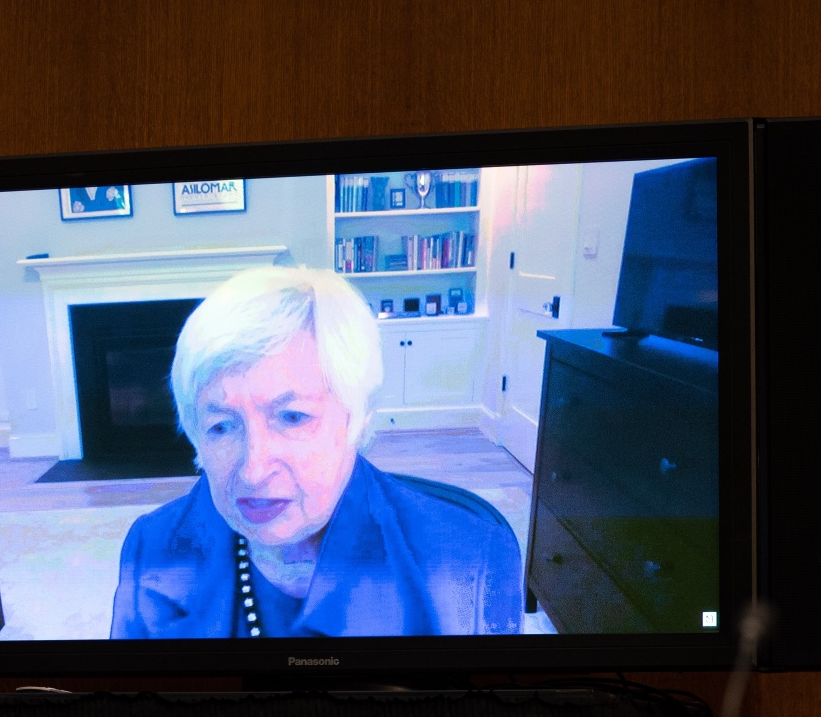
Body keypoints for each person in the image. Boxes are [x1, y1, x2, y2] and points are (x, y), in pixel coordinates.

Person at [111, 265, 521, 638]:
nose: (253, 471)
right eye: (221, 426)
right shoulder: (154, 548)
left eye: (292, 418)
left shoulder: (470, 561)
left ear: (355, 418)